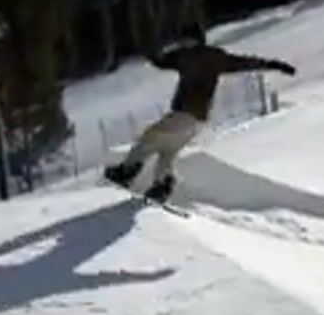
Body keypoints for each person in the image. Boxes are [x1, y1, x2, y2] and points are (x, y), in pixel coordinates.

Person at [104, 23, 296, 202]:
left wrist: (274, 64)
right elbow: (160, 61)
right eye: (183, 41)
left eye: (187, 40)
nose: (184, 43)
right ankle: (162, 185)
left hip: (186, 114)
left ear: (197, 39)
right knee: (167, 150)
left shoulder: (201, 56)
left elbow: (244, 63)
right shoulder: (193, 56)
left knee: (151, 136)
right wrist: (148, 50)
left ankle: (127, 171)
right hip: (197, 119)